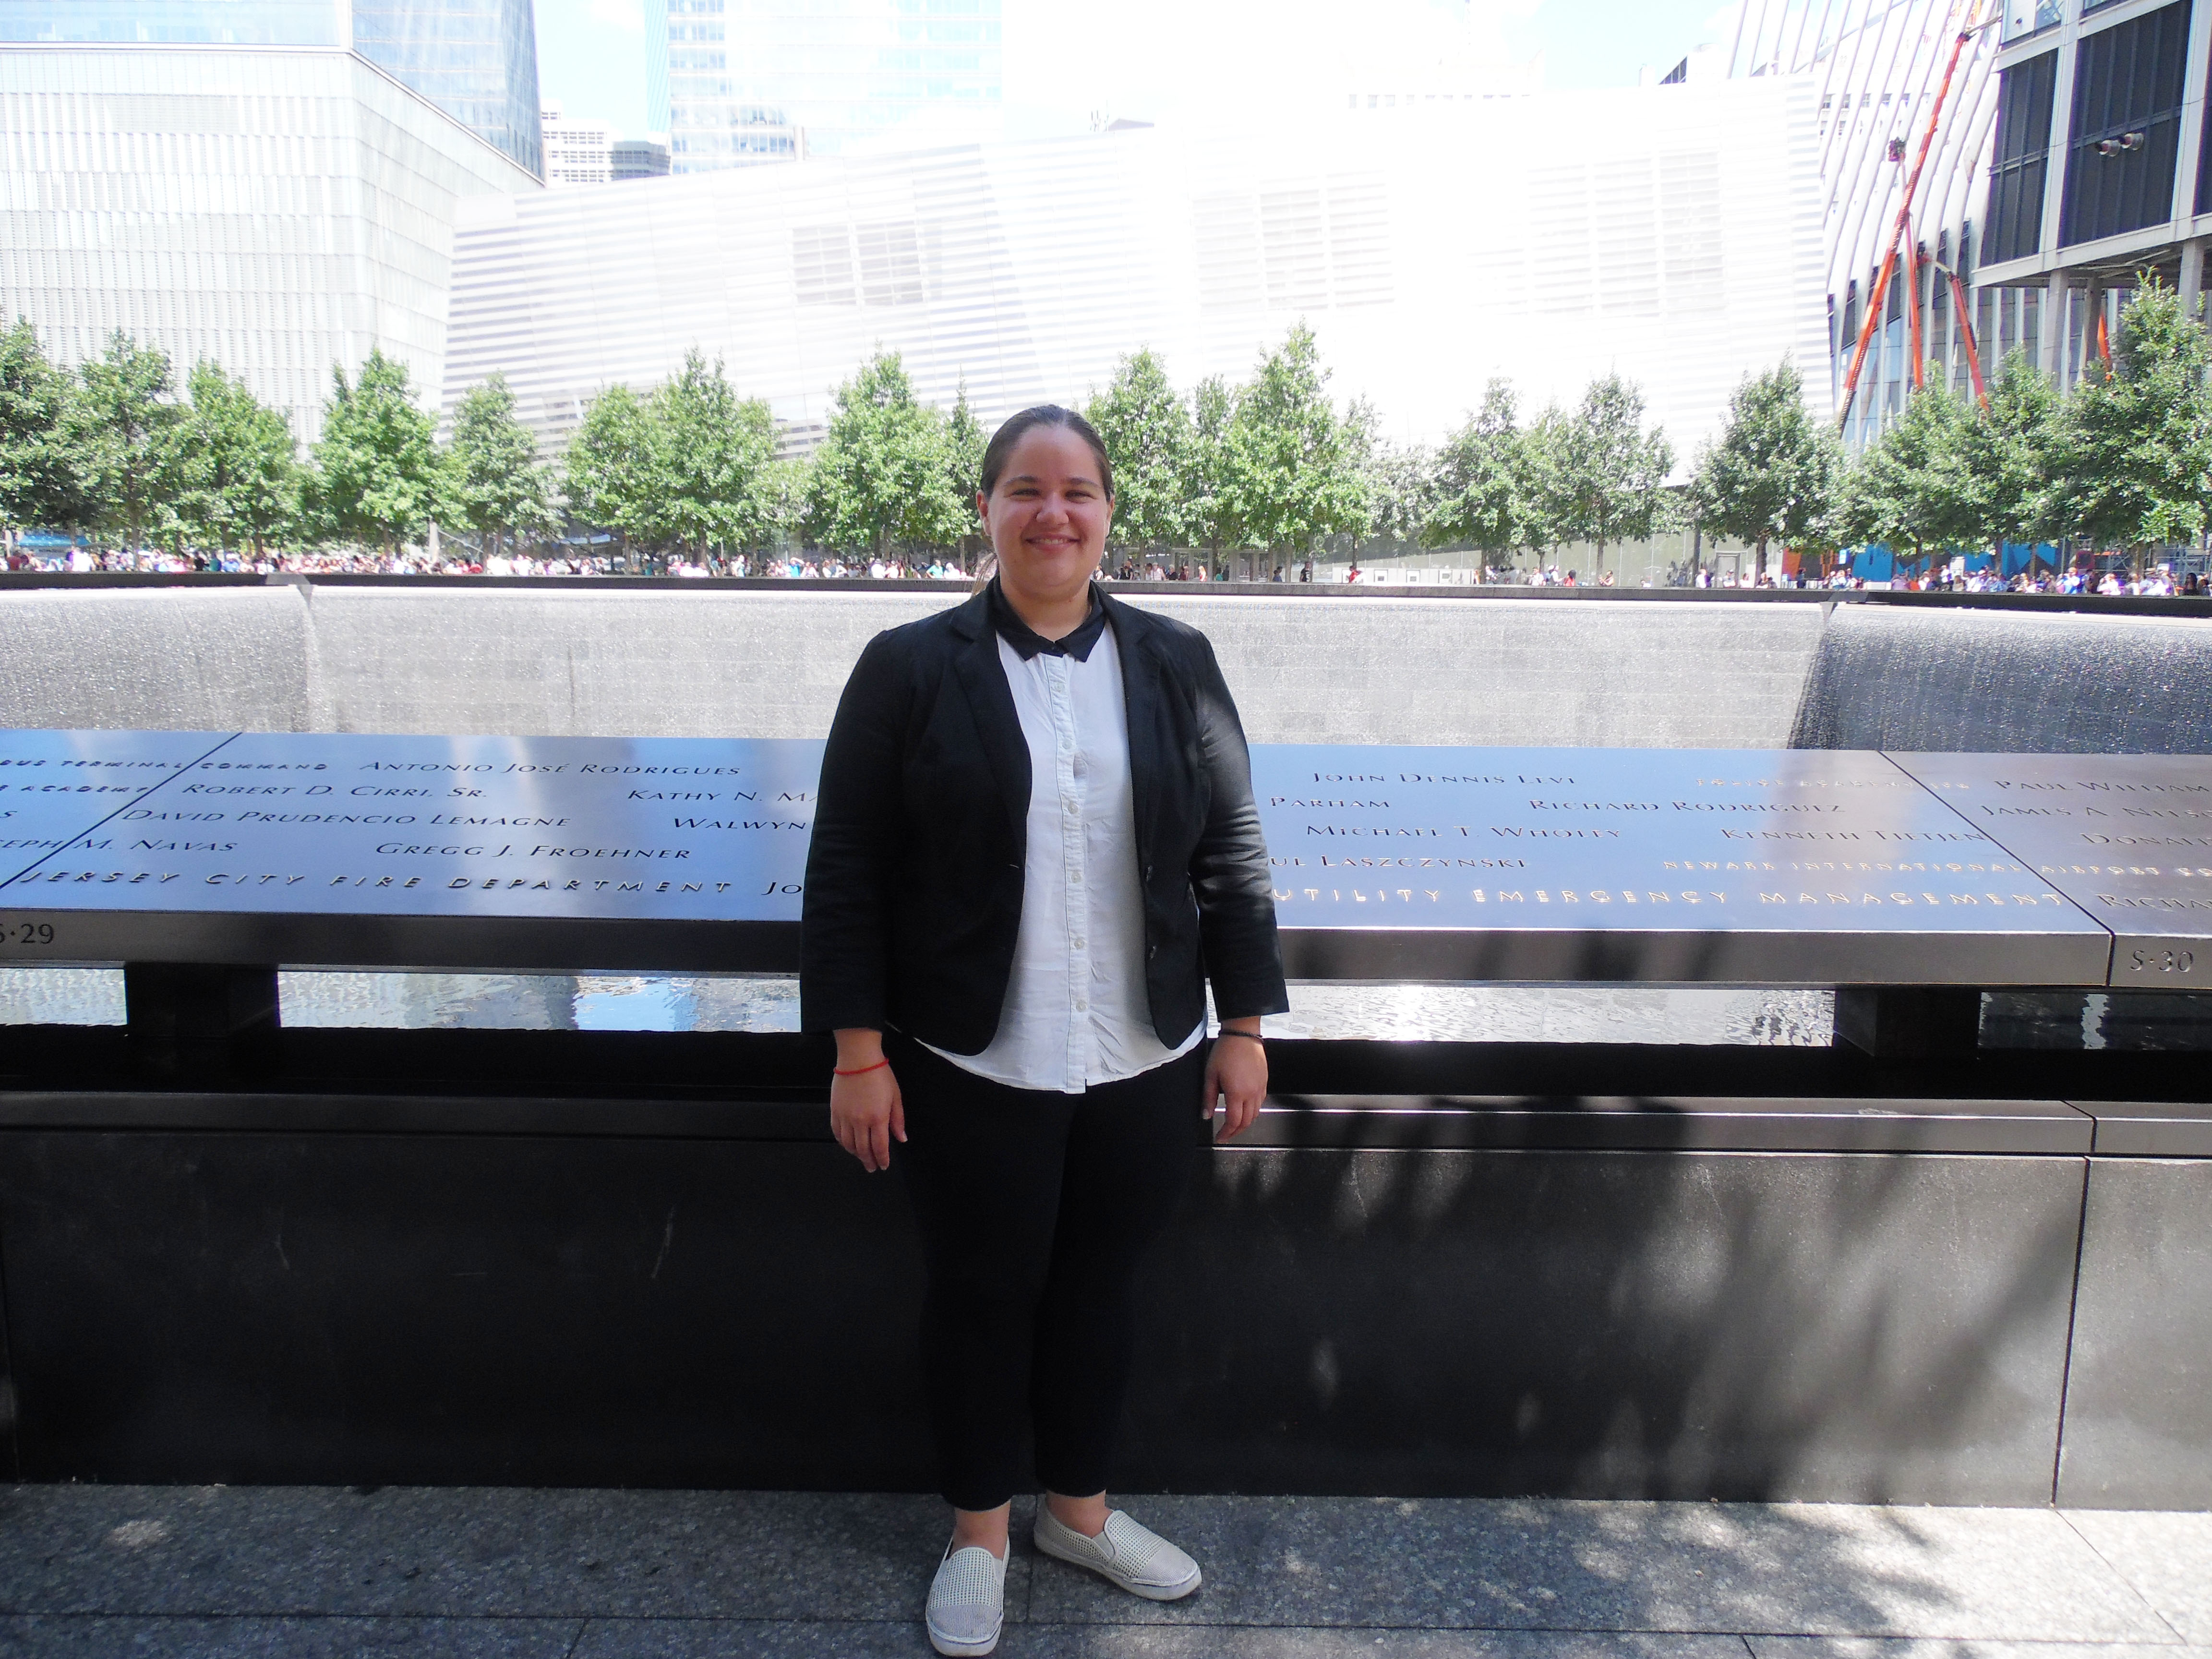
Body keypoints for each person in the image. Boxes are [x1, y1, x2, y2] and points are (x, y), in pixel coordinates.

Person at [802, 405, 1286, 1658]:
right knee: (979, 1297)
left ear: (1110, 511)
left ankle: (1078, 1513)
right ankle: (978, 1537)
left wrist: (1242, 1023)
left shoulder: (1178, 660)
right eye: (1026, 489)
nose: (1053, 512)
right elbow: (848, 865)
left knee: (1098, 1295)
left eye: (1078, 490)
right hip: (972, 1060)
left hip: (1142, 1055)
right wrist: (858, 1051)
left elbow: (1231, 851)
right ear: (987, 510)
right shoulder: (907, 668)